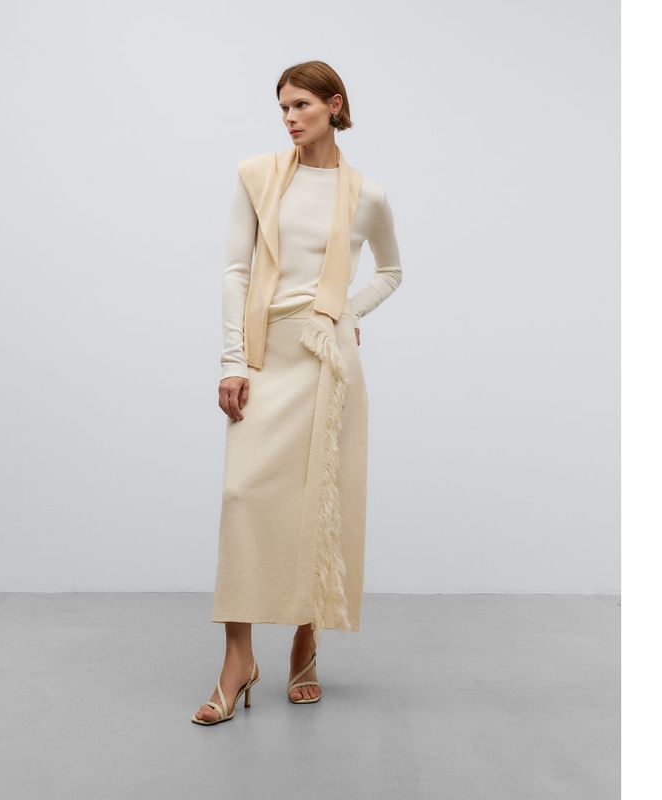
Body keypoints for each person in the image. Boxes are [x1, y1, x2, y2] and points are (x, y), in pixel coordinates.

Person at [192, 60, 403, 725]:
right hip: (266, 352)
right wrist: (232, 361)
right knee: (243, 495)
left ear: (334, 105)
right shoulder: (257, 176)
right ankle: (238, 659)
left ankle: (305, 644)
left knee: (319, 500)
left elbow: (392, 271)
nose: (288, 117)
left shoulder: (366, 195)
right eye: (283, 106)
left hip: (326, 359)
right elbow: (236, 270)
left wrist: (345, 312)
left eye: (301, 105)